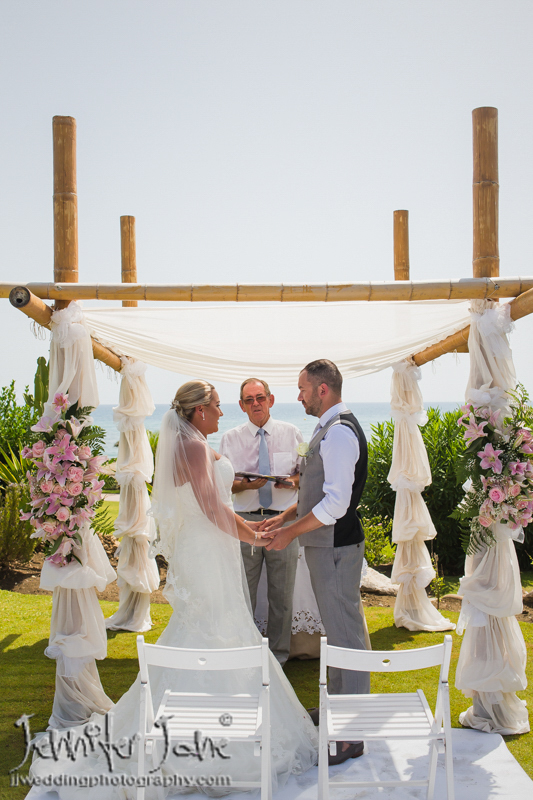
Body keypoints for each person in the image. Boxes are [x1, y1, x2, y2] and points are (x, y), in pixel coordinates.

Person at [29, 380, 317, 797]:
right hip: (206, 550)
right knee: (214, 626)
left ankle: (202, 723)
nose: (222, 413)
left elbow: (215, 506)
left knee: (210, 627)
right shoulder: (196, 447)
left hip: (206, 546)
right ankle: (210, 735)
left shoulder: (193, 442)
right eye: (217, 406)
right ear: (199, 411)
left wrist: (250, 528)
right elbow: (213, 507)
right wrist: (252, 536)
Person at [260, 360, 369, 766]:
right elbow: (317, 489)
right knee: (337, 633)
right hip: (329, 547)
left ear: (323, 390)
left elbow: (337, 503)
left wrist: (290, 533)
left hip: (336, 548)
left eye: (303, 388)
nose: (299, 395)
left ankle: (352, 732)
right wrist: (286, 516)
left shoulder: (339, 433)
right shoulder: (330, 427)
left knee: (347, 636)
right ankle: (336, 711)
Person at [219, 378, 302, 666]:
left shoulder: (291, 433)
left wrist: (291, 481)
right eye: (249, 399)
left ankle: (278, 659)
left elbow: (306, 474)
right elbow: (223, 485)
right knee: (244, 595)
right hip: (245, 525)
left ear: (271, 399)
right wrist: (245, 486)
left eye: (260, 397)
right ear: (241, 405)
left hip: (283, 523)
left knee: (282, 596)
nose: (256, 403)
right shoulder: (230, 438)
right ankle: (245, 655)